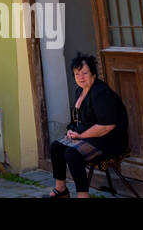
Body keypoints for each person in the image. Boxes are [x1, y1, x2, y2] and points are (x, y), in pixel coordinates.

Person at [46, 53, 129, 198]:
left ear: (93, 73)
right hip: (89, 136)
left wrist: (80, 136)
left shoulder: (101, 93)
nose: (81, 77)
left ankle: (83, 195)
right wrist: (72, 131)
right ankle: (61, 190)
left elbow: (106, 126)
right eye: (77, 74)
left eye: (84, 73)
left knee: (72, 153)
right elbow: (78, 120)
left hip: (109, 140)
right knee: (56, 147)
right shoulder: (80, 91)